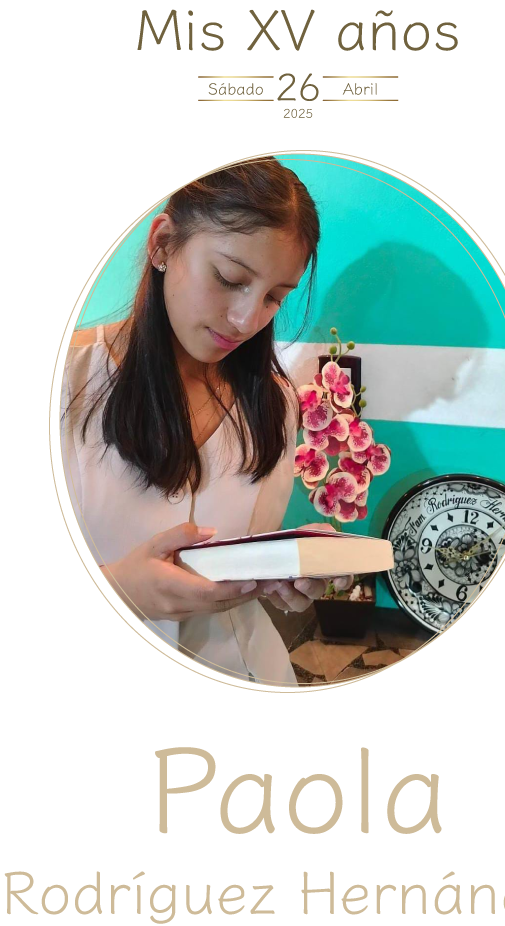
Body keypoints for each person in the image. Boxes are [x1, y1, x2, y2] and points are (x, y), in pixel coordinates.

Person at [60, 158, 353, 686]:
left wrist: (281, 568)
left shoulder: (275, 403)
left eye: (274, 297)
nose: (247, 320)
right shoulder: (70, 382)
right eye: (229, 278)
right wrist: (118, 587)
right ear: (162, 244)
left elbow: (239, 565)